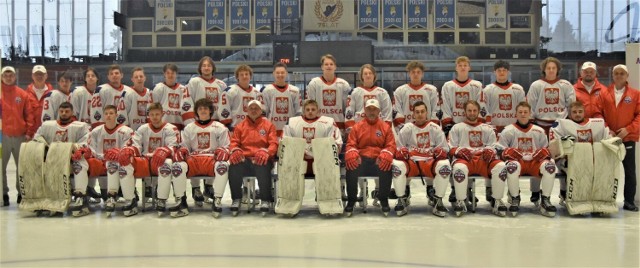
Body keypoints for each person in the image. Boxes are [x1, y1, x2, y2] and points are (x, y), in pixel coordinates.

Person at [494, 102, 557, 217]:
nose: (523, 115)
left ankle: (545, 199)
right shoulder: (508, 130)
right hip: (518, 162)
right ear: (516, 114)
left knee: (550, 166)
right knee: (512, 166)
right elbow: (499, 149)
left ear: (530, 114)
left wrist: (545, 152)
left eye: (525, 112)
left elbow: (547, 149)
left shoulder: (539, 130)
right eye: (520, 112)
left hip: (534, 162)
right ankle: (515, 197)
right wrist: (506, 152)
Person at [118, 103, 181, 217]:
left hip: (161, 162)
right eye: (152, 115)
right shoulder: (143, 128)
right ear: (148, 115)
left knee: (167, 163)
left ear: (162, 114)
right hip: (145, 160)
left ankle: (161, 199)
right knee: (125, 162)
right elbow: (135, 145)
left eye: (157, 114)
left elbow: (174, 146)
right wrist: (129, 150)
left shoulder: (171, 128)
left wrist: (165, 151)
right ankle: (130, 200)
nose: (155, 117)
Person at [171, 98, 231, 217]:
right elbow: (184, 147)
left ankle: (217, 200)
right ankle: (181, 201)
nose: (203, 110)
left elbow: (226, 146)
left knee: (223, 165)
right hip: (194, 160)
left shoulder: (219, 127)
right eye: (200, 108)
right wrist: (182, 151)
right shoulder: (189, 128)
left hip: (211, 160)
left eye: (206, 108)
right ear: (196, 112)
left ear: (210, 111)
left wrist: (223, 150)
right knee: (177, 166)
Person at [72, 105, 134, 216]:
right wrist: (85, 152)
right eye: (106, 113)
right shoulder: (95, 131)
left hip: (116, 162)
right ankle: (80, 197)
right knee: (79, 161)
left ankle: (114, 196)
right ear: (103, 116)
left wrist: (119, 153)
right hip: (99, 161)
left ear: (116, 115)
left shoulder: (126, 131)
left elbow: (128, 148)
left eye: (111, 113)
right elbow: (90, 148)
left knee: (114, 161)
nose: (108, 116)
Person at [282, 99, 343, 212]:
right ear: (303, 111)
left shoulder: (328, 122)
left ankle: (329, 201)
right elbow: (286, 143)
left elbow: (336, 143)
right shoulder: (292, 122)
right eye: (307, 109)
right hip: (299, 162)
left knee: (330, 165)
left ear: (318, 111)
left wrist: (319, 154)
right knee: (288, 165)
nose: (310, 112)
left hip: (321, 162)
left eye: (313, 109)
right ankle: (289, 201)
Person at [593, 64, 639, 212]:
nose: (619, 76)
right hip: (609, 139)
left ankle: (629, 201)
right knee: (606, 170)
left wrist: (628, 130)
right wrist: (608, 129)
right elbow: (597, 113)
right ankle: (604, 200)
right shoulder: (604, 93)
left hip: (628, 138)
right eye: (616, 73)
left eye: (622, 73)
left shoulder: (635, 94)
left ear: (627, 76)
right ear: (613, 76)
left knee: (630, 171)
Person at [448, 100, 507, 217]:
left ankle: (497, 200)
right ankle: (460, 200)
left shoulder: (487, 128)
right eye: (469, 110)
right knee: (459, 167)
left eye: (474, 110)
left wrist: (491, 150)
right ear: (464, 112)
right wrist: (458, 150)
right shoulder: (457, 128)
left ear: (478, 112)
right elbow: (450, 145)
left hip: (482, 159)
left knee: (500, 166)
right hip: (465, 159)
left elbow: (494, 145)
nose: (472, 113)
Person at [391, 101, 450, 217]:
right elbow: (398, 149)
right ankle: (401, 198)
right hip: (412, 163)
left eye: (422, 111)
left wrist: (441, 152)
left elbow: (445, 149)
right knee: (397, 165)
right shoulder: (407, 128)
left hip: (429, 162)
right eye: (417, 112)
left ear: (427, 113)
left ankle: (438, 200)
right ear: (413, 114)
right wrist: (401, 152)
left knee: (445, 165)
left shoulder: (435, 128)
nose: (420, 114)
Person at [32, 101, 90, 216]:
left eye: (67, 111)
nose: (64, 113)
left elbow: (86, 142)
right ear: (58, 111)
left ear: (72, 112)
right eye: (61, 111)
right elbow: (37, 137)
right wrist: (46, 147)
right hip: (52, 158)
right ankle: (41, 199)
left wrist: (76, 148)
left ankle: (80, 197)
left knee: (80, 164)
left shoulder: (80, 126)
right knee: (35, 163)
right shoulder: (47, 125)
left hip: (72, 158)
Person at [550, 101, 610, 205]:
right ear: (569, 114)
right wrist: (564, 146)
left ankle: (598, 199)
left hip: (591, 160)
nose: (577, 114)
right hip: (568, 160)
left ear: (584, 112)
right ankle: (568, 195)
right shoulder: (562, 125)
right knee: (573, 169)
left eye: (580, 111)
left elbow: (608, 138)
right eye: (574, 112)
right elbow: (554, 143)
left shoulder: (597, 124)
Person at [344, 99, 396, 216]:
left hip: (378, 159)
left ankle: (383, 199)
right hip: (362, 159)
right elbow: (351, 144)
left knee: (386, 165)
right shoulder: (357, 127)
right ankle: (351, 200)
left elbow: (390, 144)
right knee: (351, 166)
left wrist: (385, 153)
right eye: (369, 109)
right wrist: (353, 153)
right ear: (365, 111)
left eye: (374, 109)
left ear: (378, 111)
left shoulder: (385, 127)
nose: (371, 112)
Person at [228, 100, 278, 216]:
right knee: (234, 165)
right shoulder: (240, 126)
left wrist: (267, 152)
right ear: (247, 110)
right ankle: (236, 199)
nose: (254, 110)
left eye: (256, 108)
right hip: (245, 159)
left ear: (261, 111)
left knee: (262, 165)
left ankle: (265, 200)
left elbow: (274, 144)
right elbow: (234, 142)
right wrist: (235, 150)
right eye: (251, 108)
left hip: (262, 158)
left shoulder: (268, 125)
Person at [1, 66, 35, 206]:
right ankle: (3, 193)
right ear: (2, 77)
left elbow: (29, 115)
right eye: (5, 75)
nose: (8, 77)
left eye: (11, 75)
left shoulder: (22, 94)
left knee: (21, 167)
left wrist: (28, 133)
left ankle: (21, 193)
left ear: (15, 77)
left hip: (20, 136)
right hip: (2, 137)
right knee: (1, 167)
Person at [527, 57, 576, 133]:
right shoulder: (536, 85)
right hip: (540, 125)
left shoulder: (566, 85)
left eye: (554, 68)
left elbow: (571, 104)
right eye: (548, 68)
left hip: (561, 125)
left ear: (558, 69)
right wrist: (530, 121)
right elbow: (531, 104)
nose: (551, 70)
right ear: (544, 69)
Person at [305, 54, 351, 132]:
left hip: (339, 125)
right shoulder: (314, 83)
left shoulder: (343, 84)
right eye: (326, 64)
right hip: (319, 125)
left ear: (335, 67)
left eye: (331, 64)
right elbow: (310, 106)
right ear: (322, 67)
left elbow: (346, 108)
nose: (329, 66)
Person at [441, 56, 484, 134]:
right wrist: (447, 123)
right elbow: (445, 105)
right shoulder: (448, 86)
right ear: (456, 68)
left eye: (465, 65)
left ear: (469, 68)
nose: (462, 67)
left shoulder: (477, 85)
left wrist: (478, 121)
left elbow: (480, 104)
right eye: (460, 65)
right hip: (454, 124)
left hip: (472, 124)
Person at [392, 61, 440, 132]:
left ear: (422, 74)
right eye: (413, 72)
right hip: (407, 130)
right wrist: (402, 130)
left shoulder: (431, 90)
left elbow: (436, 110)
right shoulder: (400, 91)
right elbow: (397, 111)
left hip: (427, 130)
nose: (416, 74)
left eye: (418, 72)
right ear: (409, 74)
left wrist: (432, 129)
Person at [481, 60, 526, 133]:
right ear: (494, 72)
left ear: (508, 72)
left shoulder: (518, 89)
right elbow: (483, 109)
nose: (502, 72)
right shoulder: (487, 89)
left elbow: (523, 108)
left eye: (504, 70)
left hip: (514, 128)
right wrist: (488, 124)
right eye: (499, 70)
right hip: (494, 128)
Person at [345, 64, 392, 130]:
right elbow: (349, 112)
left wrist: (385, 130)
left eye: (370, 73)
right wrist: (351, 129)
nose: (368, 75)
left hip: (378, 129)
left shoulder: (382, 92)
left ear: (374, 75)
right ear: (362, 76)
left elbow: (387, 113)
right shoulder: (354, 92)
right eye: (365, 73)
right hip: (359, 129)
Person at [150, 63, 195, 130]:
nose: (170, 75)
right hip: (162, 127)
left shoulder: (183, 90)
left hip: (179, 126)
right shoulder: (158, 88)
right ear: (164, 74)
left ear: (176, 74)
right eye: (168, 73)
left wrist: (190, 127)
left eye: (172, 73)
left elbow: (187, 109)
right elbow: (153, 109)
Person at [261, 62, 302, 137]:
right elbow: (264, 112)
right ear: (273, 74)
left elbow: (298, 112)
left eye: (282, 72)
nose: (280, 75)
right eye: (278, 73)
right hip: (272, 130)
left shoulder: (294, 90)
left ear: (286, 73)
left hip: (290, 130)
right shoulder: (267, 90)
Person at [218, 64, 262, 130]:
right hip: (235, 129)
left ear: (250, 76)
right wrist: (228, 126)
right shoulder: (230, 91)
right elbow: (223, 108)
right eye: (241, 74)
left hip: (252, 129)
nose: (244, 76)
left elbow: (261, 111)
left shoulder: (257, 93)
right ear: (237, 77)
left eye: (246, 74)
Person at [90, 64, 133, 129]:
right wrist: (100, 129)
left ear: (121, 75)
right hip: (106, 128)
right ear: (108, 76)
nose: (114, 75)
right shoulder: (100, 90)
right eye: (111, 74)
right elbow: (96, 111)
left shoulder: (129, 91)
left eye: (116, 73)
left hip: (124, 128)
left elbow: (131, 112)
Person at [186, 56, 227, 120]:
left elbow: (225, 105)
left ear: (213, 68)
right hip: (199, 120)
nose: (206, 68)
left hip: (216, 122)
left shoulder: (222, 84)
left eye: (209, 66)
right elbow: (189, 102)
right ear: (200, 68)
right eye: (204, 66)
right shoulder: (194, 82)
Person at [26, 65, 53, 134]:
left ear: (46, 76)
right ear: (32, 76)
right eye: (36, 74)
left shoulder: (52, 93)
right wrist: (28, 132)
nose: (39, 76)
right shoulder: (25, 94)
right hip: (31, 133)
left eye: (41, 74)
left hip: (48, 131)